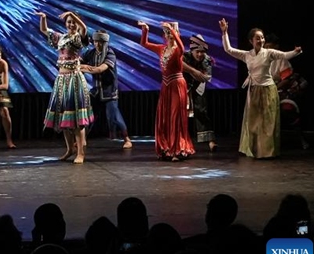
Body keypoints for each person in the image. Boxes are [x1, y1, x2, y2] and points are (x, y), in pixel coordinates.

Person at [218, 18, 302, 159]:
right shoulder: (247, 55)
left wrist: (295, 52)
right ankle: (255, 150)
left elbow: (284, 55)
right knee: (253, 122)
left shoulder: (269, 53)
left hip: (268, 90)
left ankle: (267, 152)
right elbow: (228, 49)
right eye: (258, 38)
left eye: (262, 37)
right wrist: (225, 32)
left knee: (267, 123)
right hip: (254, 90)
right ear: (251, 41)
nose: (261, 40)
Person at [35, 10, 93, 164]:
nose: (71, 24)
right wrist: (44, 18)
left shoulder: (78, 37)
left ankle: (81, 152)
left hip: (74, 80)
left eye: (73, 21)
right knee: (63, 118)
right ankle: (69, 149)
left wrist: (72, 14)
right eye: (68, 21)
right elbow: (44, 30)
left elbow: (84, 28)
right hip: (61, 80)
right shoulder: (61, 37)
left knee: (77, 119)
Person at [138, 20, 195, 161]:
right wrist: (145, 30)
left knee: (175, 117)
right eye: (167, 32)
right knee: (164, 117)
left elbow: (181, 47)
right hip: (166, 85)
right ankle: (166, 147)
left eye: (171, 31)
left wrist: (173, 31)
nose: (169, 34)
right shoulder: (162, 49)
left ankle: (177, 149)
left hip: (177, 85)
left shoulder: (178, 50)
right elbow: (144, 44)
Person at [80, 29, 132, 149]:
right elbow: (79, 61)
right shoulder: (91, 53)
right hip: (96, 91)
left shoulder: (110, 53)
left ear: (105, 42)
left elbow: (100, 69)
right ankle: (82, 140)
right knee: (88, 116)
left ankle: (127, 139)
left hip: (109, 91)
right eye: (96, 41)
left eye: (100, 42)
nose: (98, 44)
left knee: (114, 116)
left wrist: (82, 67)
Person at [265, 33, 309, 149]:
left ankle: (301, 138)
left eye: (270, 47)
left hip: (280, 89)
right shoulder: (261, 57)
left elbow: (287, 79)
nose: (268, 49)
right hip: (264, 91)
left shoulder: (281, 59)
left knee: (287, 109)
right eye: (266, 47)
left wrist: (273, 89)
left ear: (276, 47)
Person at [182, 34, 218, 152]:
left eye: (202, 52)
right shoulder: (185, 56)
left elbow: (206, 77)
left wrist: (197, 75)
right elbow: (179, 65)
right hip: (183, 86)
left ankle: (211, 140)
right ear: (192, 50)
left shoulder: (206, 59)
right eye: (197, 52)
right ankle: (181, 141)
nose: (199, 54)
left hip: (198, 87)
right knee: (181, 114)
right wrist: (194, 72)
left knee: (201, 111)